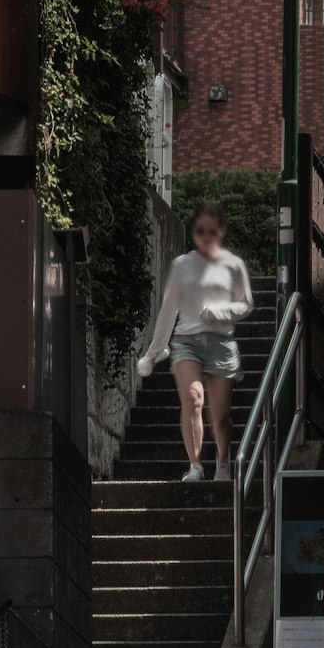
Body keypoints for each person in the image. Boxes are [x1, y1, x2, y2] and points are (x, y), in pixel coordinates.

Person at [137, 204, 254, 482]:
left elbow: (246, 304)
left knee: (221, 417)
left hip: (222, 343)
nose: (206, 236)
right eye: (200, 231)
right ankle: (196, 465)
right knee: (193, 400)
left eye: (212, 231)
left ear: (221, 231)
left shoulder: (234, 264)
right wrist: (154, 352)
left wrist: (220, 312)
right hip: (186, 341)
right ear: (193, 233)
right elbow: (169, 309)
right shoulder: (181, 265)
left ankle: (222, 462)